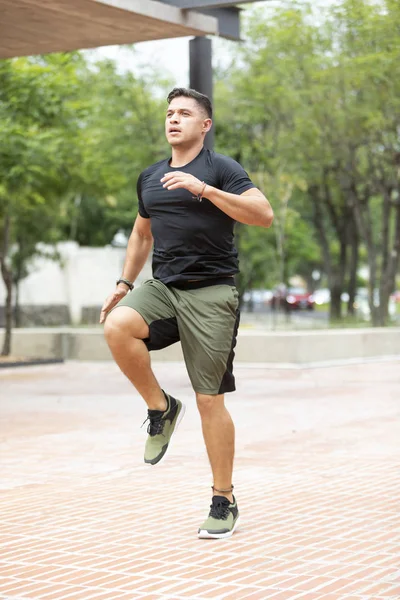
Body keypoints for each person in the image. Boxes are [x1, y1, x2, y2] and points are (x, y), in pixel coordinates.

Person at [100, 87, 273, 539]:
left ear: (205, 125)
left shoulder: (221, 168)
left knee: (209, 400)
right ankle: (160, 406)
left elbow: (263, 214)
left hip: (212, 294)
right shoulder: (150, 176)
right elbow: (142, 234)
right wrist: (124, 284)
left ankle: (223, 499)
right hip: (164, 288)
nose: (173, 119)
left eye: (184, 114)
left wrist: (205, 190)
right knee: (117, 326)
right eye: (169, 112)